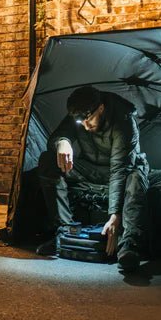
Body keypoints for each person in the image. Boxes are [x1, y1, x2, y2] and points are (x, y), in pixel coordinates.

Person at [36, 86, 149, 272]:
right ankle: (63, 232)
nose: (85, 126)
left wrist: (114, 216)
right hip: (91, 169)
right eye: (80, 122)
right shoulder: (80, 115)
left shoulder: (124, 120)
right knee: (48, 159)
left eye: (88, 119)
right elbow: (58, 135)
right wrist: (62, 142)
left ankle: (129, 245)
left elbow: (120, 169)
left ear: (101, 108)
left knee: (136, 179)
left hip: (124, 169)